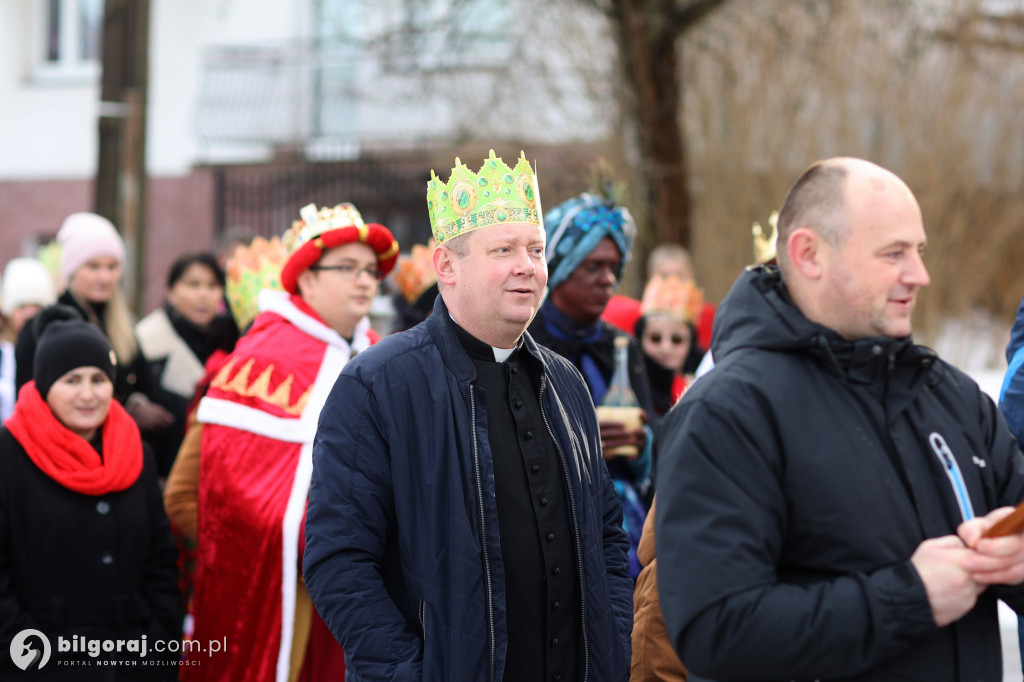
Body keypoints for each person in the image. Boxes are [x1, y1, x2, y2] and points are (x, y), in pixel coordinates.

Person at [656, 157, 1024, 681]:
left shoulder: (951, 395)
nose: (919, 275)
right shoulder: (727, 413)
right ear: (809, 254)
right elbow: (718, 630)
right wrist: (909, 597)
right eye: (893, 254)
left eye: (918, 251)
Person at [304, 150, 633, 682]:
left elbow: (607, 537)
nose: (527, 265)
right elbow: (338, 561)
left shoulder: (566, 382)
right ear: (446, 266)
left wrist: (614, 652)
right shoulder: (377, 383)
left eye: (535, 249)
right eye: (503, 249)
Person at [163, 202, 399, 681]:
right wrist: (275, 547)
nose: (364, 281)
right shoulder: (257, 361)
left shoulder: (382, 356)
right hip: (293, 606)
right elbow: (185, 496)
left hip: (372, 602)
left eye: (371, 271)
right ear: (306, 279)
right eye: (347, 268)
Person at [0, 307, 181, 678]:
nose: (87, 394)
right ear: (46, 385)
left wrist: (159, 641)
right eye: (72, 380)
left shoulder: (136, 452)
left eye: (99, 379)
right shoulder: (9, 455)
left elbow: (160, 559)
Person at [527, 192, 654, 578]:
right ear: (561, 267)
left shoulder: (622, 346)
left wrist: (642, 445)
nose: (608, 280)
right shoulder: (526, 343)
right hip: (550, 526)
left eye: (615, 267)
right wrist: (581, 444)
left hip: (625, 524)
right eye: (594, 266)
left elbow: (652, 429)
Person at [16, 213, 173, 438]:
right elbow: (28, 401)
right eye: (93, 266)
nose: (105, 276)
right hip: (61, 449)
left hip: (120, 448)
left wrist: (138, 403)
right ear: (72, 269)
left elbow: (146, 386)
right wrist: (124, 411)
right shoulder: (42, 327)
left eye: (112, 266)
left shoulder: (123, 327)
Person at [136, 252, 235, 476]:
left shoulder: (234, 345)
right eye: (193, 284)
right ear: (170, 292)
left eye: (212, 285)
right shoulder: (146, 343)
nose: (204, 294)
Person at [635, 275, 704, 416]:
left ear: (691, 344)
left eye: (677, 340)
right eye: (655, 339)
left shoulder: (702, 385)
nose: (666, 348)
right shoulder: (631, 387)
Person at [0, 257, 56, 420]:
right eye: (22, 306)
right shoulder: (4, 353)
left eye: (37, 306)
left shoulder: (51, 352)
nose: (30, 314)